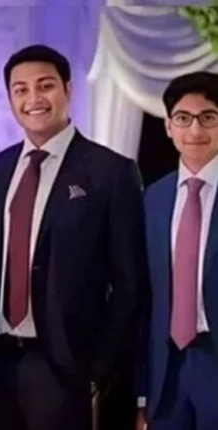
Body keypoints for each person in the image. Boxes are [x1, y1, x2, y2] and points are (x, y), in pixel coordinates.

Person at [0, 44, 148, 430]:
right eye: (20, 90)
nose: (33, 99)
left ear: (68, 89)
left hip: (66, 370)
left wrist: (99, 368)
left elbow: (130, 283)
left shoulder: (110, 172)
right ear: (9, 99)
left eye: (45, 85)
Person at [136, 71, 218, 430]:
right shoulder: (152, 198)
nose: (195, 130)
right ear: (168, 126)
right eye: (183, 118)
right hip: (166, 369)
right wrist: (140, 391)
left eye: (208, 117)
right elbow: (143, 297)